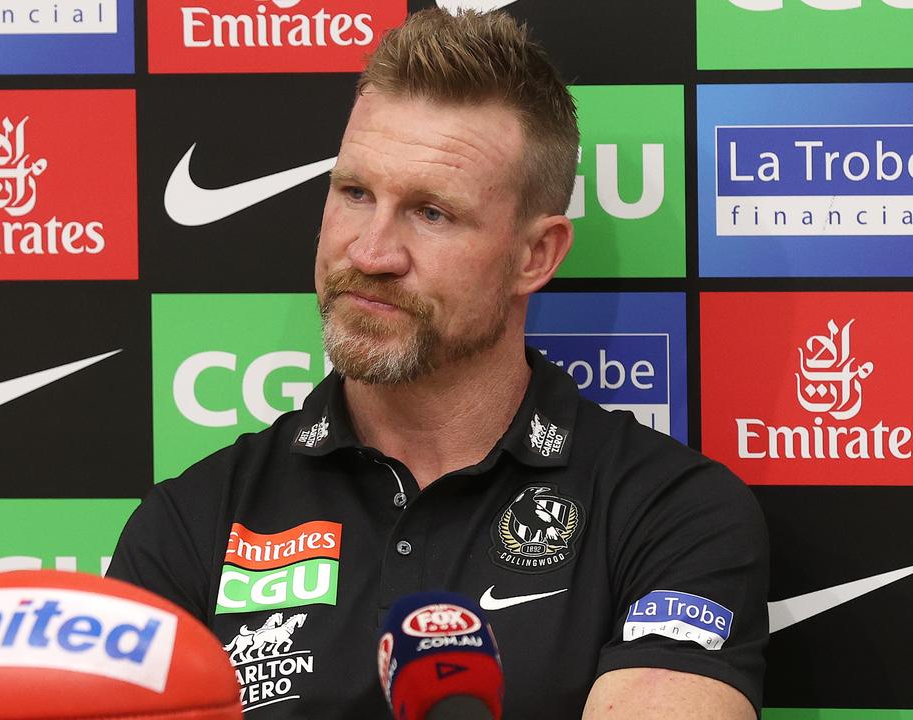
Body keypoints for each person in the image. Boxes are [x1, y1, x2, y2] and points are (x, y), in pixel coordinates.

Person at [108, 8, 768, 718]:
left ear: (534, 255)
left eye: (432, 213)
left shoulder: (669, 514)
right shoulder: (192, 521)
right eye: (355, 193)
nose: (371, 253)